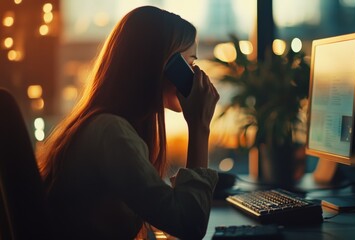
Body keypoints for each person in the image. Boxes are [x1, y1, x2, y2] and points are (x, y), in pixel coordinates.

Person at [37, 5, 219, 240]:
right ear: (164, 66)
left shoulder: (106, 126)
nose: (196, 76)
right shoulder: (112, 133)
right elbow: (189, 225)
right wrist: (199, 127)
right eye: (190, 65)